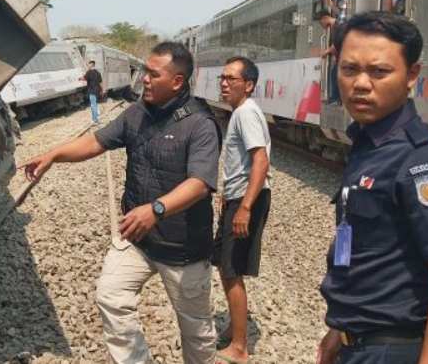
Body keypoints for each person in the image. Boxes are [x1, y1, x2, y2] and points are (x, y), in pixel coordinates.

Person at [23, 42, 220, 364]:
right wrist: (54, 154)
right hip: (138, 239)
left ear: (177, 81)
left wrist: (156, 209)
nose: (144, 79)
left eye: (153, 74)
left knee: (195, 330)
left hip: (183, 249)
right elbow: (95, 142)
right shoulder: (137, 114)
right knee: (111, 297)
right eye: (145, 71)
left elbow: (199, 185)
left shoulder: (199, 124)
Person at [316, 12, 428, 364]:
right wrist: (339, 331)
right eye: (349, 69)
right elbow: (359, 247)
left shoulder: (420, 162)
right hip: (356, 341)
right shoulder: (369, 146)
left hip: (390, 351)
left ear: (411, 75)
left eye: (379, 72)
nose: (360, 83)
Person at [212, 56, 271, 364]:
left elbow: (261, 161)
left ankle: (240, 347)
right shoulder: (240, 112)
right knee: (224, 264)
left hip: (248, 200)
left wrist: (244, 207)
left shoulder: (246, 113)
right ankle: (235, 331)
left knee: (233, 270)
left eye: (231, 79)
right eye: (222, 78)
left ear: (248, 85)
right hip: (237, 198)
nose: (223, 83)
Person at [81, 59, 104, 124]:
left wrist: (79, 78)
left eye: (88, 64)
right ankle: (97, 116)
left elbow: (84, 78)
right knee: (95, 104)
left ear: (91, 65)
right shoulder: (98, 72)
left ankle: (95, 120)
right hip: (97, 91)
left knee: (93, 105)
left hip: (92, 91)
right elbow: (101, 82)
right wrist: (102, 90)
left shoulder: (89, 72)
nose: (88, 65)